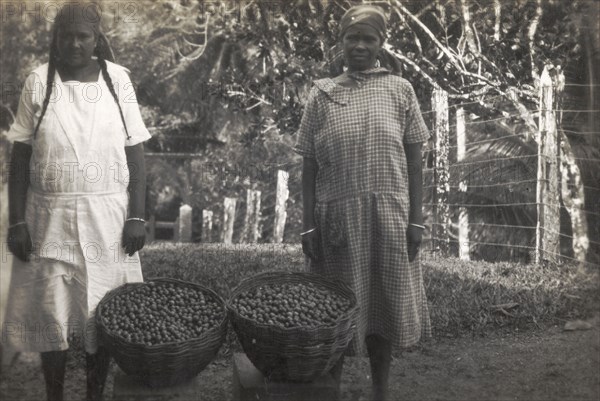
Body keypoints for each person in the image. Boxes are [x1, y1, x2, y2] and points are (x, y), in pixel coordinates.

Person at [2, 2, 150, 400]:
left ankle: (94, 393)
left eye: (83, 36)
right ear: (56, 38)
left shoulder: (118, 81)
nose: (74, 44)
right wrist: (17, 222)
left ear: (97, 39)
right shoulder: (39, 82)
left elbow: (136, 153)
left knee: (100, 311)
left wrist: (137, 215)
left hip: (108, 218)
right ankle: (54, 394)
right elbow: (20, 157)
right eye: (66, 36)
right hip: (50, 217)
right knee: (53, 313)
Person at [294, 5, 431, 401]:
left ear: (381, 44)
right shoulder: (321, 95)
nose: (359, 45)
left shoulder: (400, 89)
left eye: (368, 39)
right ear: (340, 42)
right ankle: (330, 390)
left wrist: (416, 221)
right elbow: (308, 166)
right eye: (352, 38)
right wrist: (307, 224)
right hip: (336, 218)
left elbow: (415, 161)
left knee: (382, 309)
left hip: (388, 217)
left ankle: (380, 390)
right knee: (334, 309)